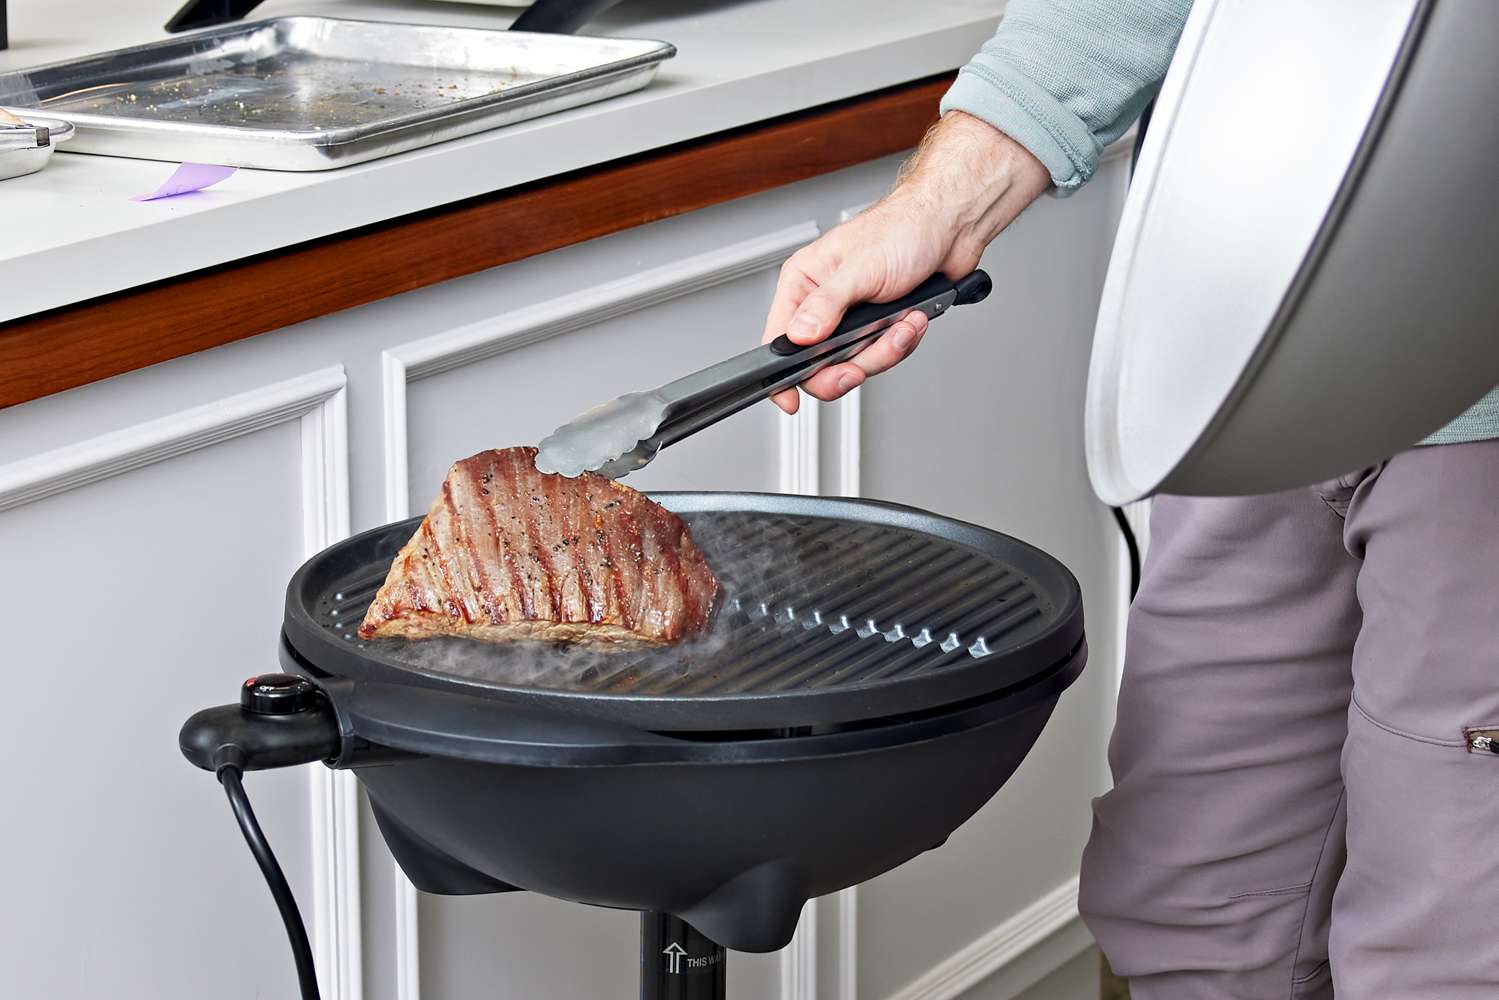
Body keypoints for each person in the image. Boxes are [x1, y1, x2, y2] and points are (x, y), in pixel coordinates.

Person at [760, 3, 1499, 997]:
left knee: (1444, 935)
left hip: (1471, 394)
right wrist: (935, 208)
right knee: (1187, 899)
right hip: (1246, 352)